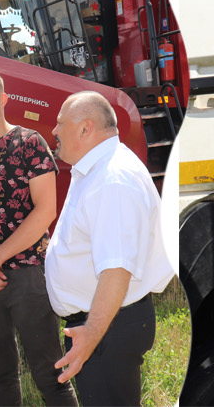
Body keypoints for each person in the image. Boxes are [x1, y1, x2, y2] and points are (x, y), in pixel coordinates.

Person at [0, 71, 77, 406]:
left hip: (28, 274)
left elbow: (45, 211)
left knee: (51, 374)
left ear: (3, 99)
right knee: (1, 375)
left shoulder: (29, 143)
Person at [45, 91, 174, 406]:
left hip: (106, 328)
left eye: (61, 123)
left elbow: (117, 268)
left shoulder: (111, 179)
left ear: (86, 129)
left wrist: (90, 334)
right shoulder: (100, 168)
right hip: (106, 324)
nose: (54, 131)